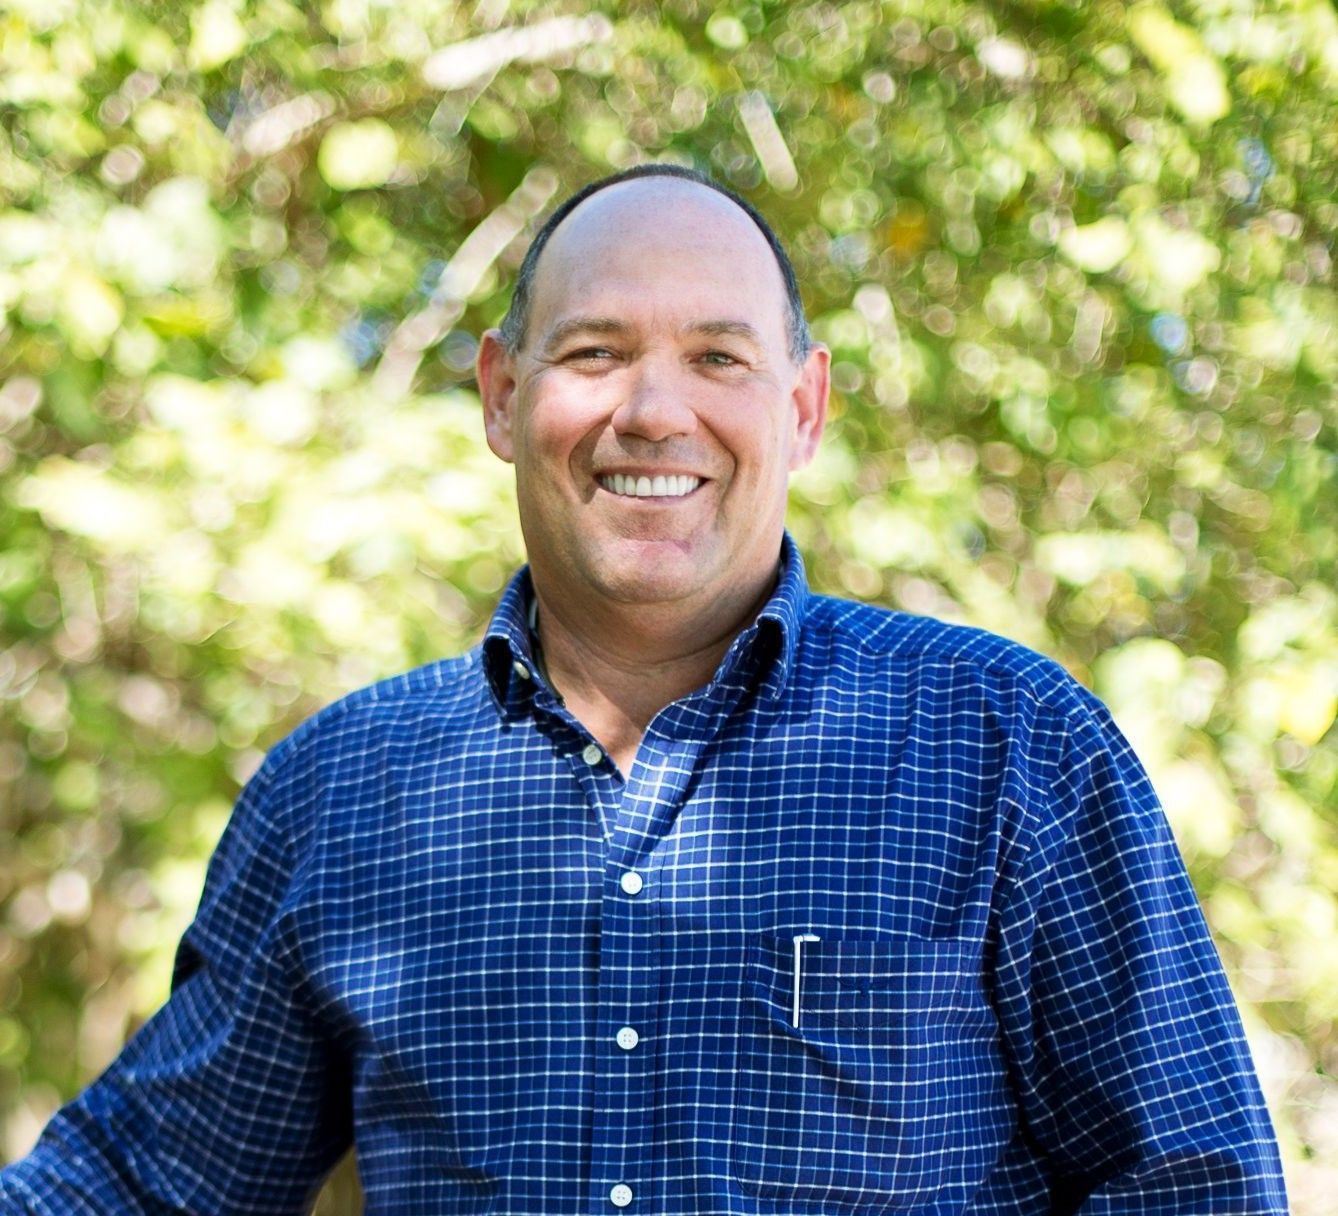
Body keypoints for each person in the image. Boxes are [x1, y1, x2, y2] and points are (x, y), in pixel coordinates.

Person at [0, 164, 1287, 1214]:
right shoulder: (345, 793)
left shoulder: (1009, 746)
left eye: (719, 358)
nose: (653, 411)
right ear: (504, 397)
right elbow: (146, 1180)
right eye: (597, 352)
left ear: (805, 407)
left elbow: (1193, 1184)